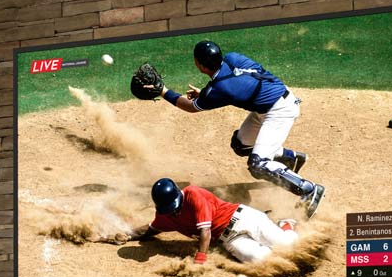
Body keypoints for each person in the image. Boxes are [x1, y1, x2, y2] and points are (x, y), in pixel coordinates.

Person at [130, 41, 325, 217]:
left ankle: (308, 190)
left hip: (279, 111)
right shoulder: (232, 58)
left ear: (199, 65)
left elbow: (191, 106)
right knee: (240, 145)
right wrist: (206, 93)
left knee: (257, 164)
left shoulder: (220, 90)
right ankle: (291, 157)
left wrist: (163, 91)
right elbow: (240, 82)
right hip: (271, 102)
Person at [133, 178, 299, 265]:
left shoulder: (193, 194)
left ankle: (285, 224)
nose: (173, 211)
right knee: (262, 260)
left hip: (244, 218)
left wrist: (200, 259)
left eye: (173, 206)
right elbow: (149, 230)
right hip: (231, 239)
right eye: (168, 209)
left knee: (288, 245)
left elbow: (206, 232)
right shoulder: (166, 216)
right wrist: (121, 234)